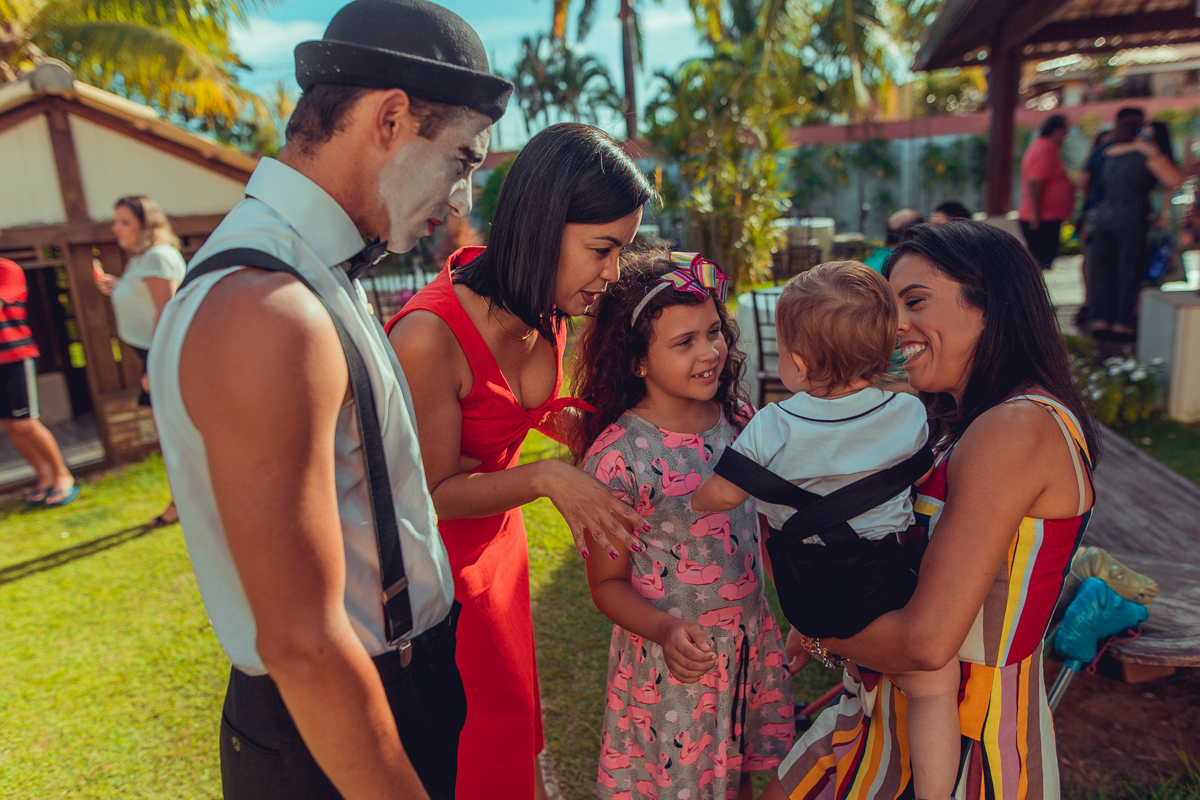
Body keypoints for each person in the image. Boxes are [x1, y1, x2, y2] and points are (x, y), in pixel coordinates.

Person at [147, 1, 513, 798]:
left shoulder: (313, 270)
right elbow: (305, 641)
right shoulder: (265, 306)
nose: (457, 199)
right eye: (460, 160)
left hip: (394, 686)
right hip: (333, 724)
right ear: (390, 118)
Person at [759, 220, 1100, 800]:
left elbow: (925, 643)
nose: (893, 326)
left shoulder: (1016, 427)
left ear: (994, 307)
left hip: (966, 749)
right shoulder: (957, 424)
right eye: (888, 307)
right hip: (890, 717)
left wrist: (822, 630)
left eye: (916, 301)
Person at [384, 122, 656, 800]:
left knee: (512, 717)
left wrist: (582, 431)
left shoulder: (550, 307)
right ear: (544, 223)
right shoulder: (430, 336)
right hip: (439, 568)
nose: (612, 273)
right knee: (474, 738)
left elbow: (511, 409)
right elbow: (431, 491)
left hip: (499, 547)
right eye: (603, 248)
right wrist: (542, 477)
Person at [692, 261, 959, 800]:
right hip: (883, 582)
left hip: (806, 595)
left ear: (797, 361)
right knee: (935, 687)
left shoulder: (773, 424)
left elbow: (716, 497)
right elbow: (922, 471)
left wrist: (710, 493)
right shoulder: (908, 411)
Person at [572, 251, 794, 800]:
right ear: (636, 362)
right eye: (684, 341)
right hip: (674, 665)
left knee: (733, 775)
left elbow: (759, 528)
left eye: (713, 331)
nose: (710, 351)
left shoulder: (738, 420)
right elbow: (607, 585)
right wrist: (666, 631)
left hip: (744, 647)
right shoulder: (617, 459)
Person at [94, 194, 185, 526]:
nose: (115, 228)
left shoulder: (158, 257)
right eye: (116, 221)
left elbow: (169, 311)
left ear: (147, 224)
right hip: (150, 356)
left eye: (124, 222)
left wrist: (155, 366)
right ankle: (183, 501)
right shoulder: (141, 260)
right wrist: (117, 286)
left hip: (160, 356)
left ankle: (183, 504)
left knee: (173, 437)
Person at [1088, 118, 1185, 341]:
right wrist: (1149, 151)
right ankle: (1121, 320)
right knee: (1127, 268)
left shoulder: (1114, 152)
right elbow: (1175, 180)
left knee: (1105, 267)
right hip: (1131, 216)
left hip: (1105, 214)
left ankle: (1101, 318)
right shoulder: (1147, 155)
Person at [0, 256, 77, 506]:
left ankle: (63, 475)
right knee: (11, 425)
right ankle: (44, 476)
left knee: (25, 423)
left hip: (15, 355)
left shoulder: (7, 269)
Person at [1018, 114, 1074, 270]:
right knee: (1039, 265)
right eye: (1065, 131)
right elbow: (1035, 182)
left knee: (1042, 264)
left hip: (1045, 217)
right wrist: (1036, 216)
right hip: (1042, 219)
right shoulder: (1045, 149)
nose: (1066, 135)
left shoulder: (1043, 147)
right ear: (1056, 130)